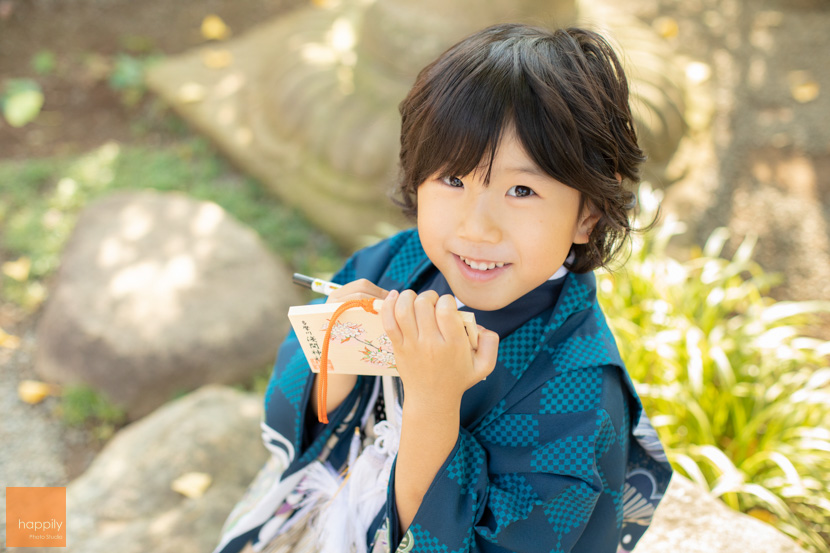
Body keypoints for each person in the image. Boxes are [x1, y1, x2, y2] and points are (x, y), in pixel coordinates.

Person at [213, 23, 672, 553]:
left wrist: (434, 397)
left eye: (521, 189)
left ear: (587, 216)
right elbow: (296, 412)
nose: (476, 228)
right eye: (453, 180)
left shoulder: (579, 393)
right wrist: (340, 347)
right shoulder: (397, 261)